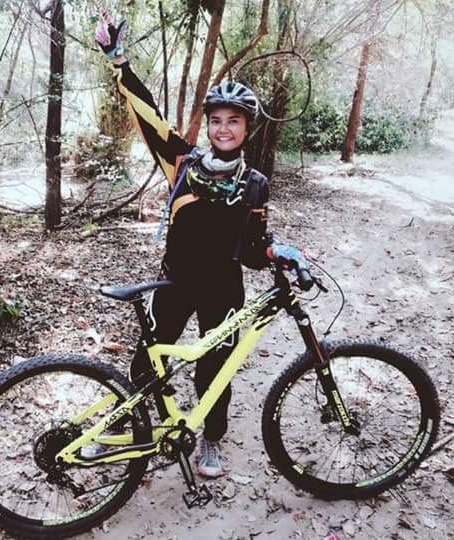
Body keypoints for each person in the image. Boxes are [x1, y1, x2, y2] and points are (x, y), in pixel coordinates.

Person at [95, 12, 308, 478]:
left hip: (223, 289)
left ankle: (211, 438)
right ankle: (128, 424)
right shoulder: (183, 163)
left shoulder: (255, 183)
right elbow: (149, 117)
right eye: (216, 121)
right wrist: (119, 61)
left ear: (247, 128)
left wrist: (275, 250)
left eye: (234, 121)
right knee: (147, 361)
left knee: (215, 368)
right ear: (207, 125)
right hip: (173, 281)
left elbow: (252, 248)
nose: (223, 128)